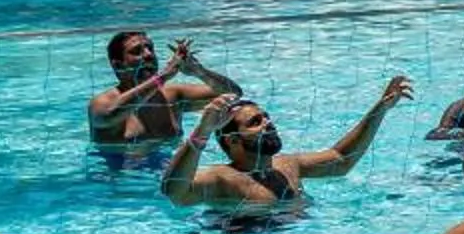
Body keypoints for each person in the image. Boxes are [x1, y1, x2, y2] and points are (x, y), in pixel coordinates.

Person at [163, 78, 414, 209]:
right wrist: (202, 131)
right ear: (233, 141)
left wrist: (379, 110)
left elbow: (341, 160)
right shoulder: (221, 178)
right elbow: (174, 191)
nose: (268, 123)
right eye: (255, 122)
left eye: (267, 117)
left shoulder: (286, 165)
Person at [88, 30, 241, 146]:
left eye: (150, 49)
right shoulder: (103, 102)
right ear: (117, 65)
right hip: (121, 182)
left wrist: (199, 71)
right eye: (136, 52)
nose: (148, 55)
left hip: (168, 176)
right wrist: (163, 76)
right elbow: (107, 117)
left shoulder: (173, 96)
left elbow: (233, 94)